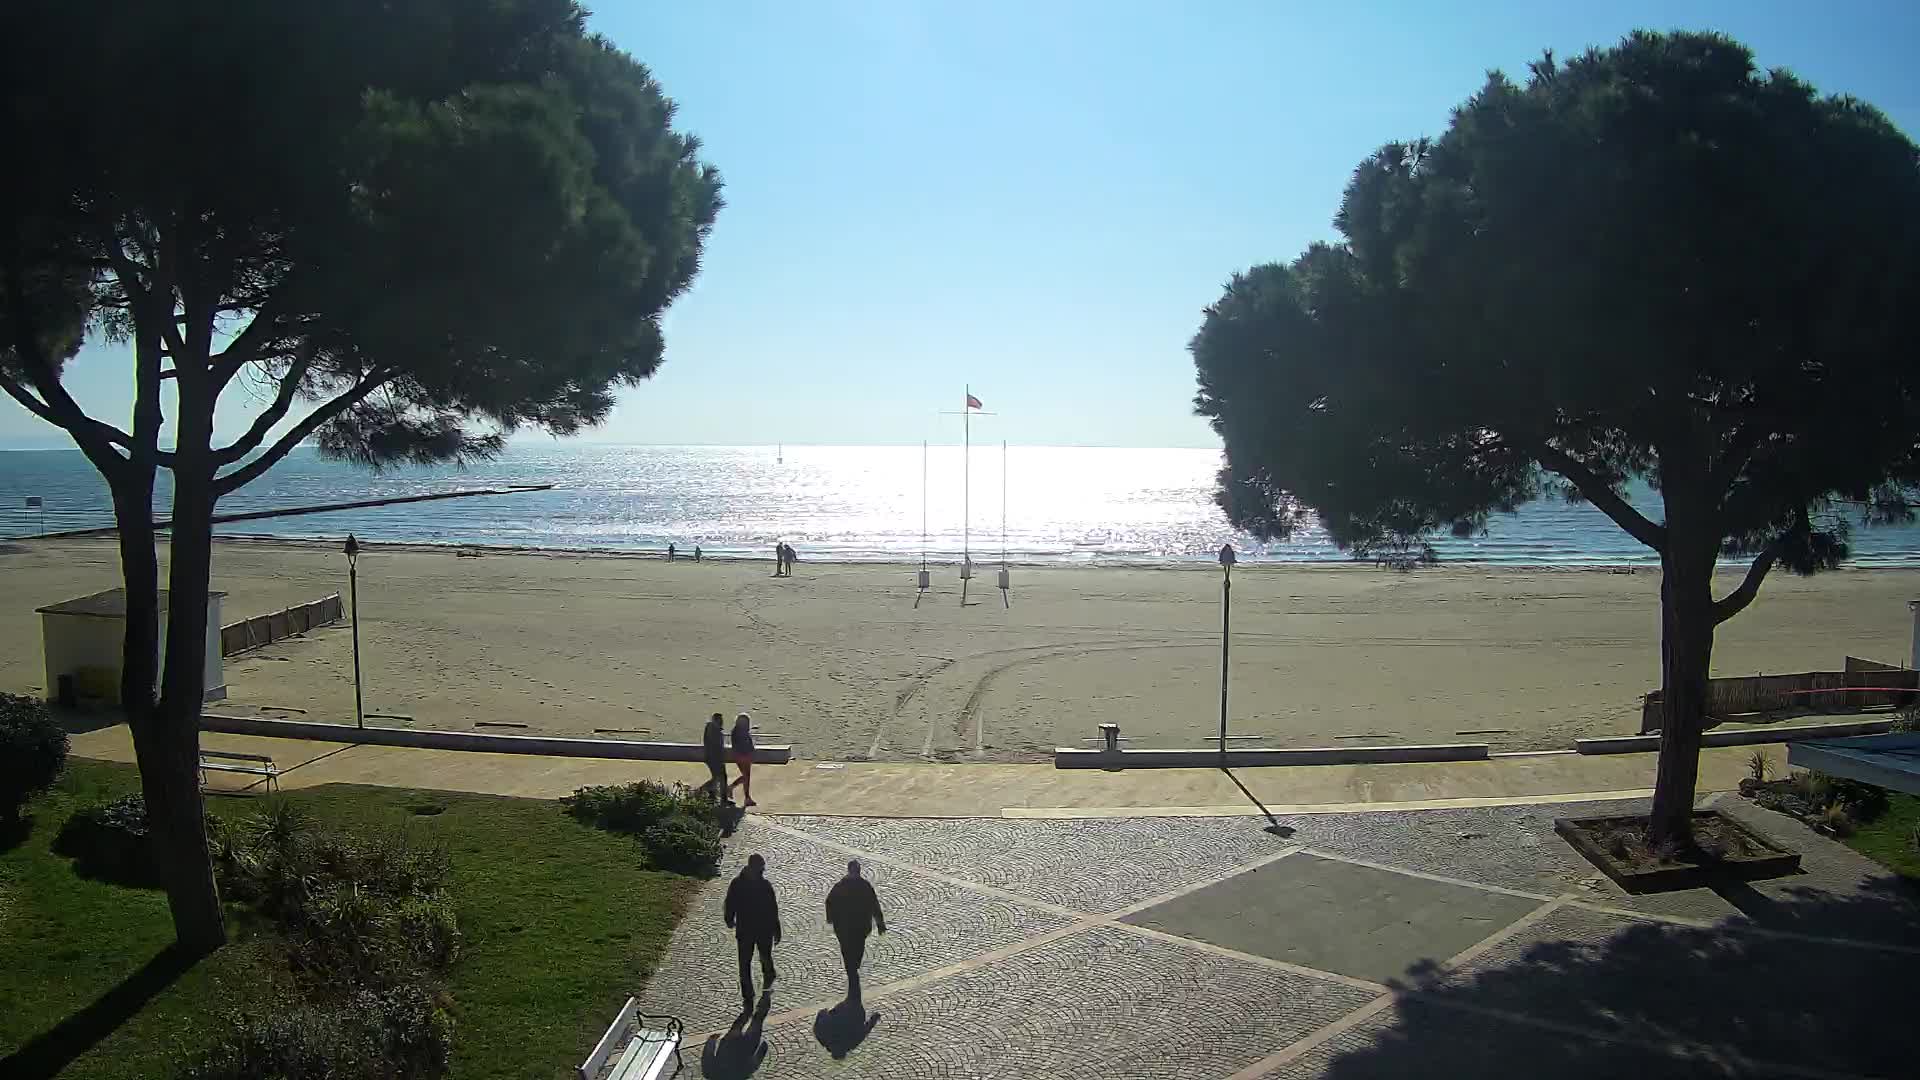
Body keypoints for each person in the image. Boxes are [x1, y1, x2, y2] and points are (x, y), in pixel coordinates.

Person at [723, 853, 781, 1010]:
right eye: (761, 868)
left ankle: (768, 976)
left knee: (764, 957)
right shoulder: (739, 884)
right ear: (753, 867)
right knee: (745, 963)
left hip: (761, 929)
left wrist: (776, 928)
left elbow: (772, 908)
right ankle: (748, 994)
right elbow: (730, 902)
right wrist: (729, 918)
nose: (763, 870)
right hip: (747, 929)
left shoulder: (763, 885)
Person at [825, 860, 886, 1001]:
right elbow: (874, 904)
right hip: (859, 925)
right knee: (857, 947)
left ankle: (851, 967)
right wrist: (880, 923)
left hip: (844, 926)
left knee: (847, 948)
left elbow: (829, 901)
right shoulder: (864, 886)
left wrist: (831, 918)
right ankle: (853, 967)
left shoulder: (841, 886)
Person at [727, 712, 758, 806]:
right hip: (743, 756)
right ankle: (732, 788)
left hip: (741, 755)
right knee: (746, 776)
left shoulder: (737, 730)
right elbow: (744, 744)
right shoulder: (740, 731)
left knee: (746, 777)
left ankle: (746, 797)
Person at [702, 712, 731, 804]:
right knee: (720, 777)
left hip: (714, 757)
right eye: (720, 720)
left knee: (718, 777)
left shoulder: (712, 728)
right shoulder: (713, 729)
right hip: (714, 757)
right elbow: (715, 745)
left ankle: (713, 796)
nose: (722, 722)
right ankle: (701, 791)